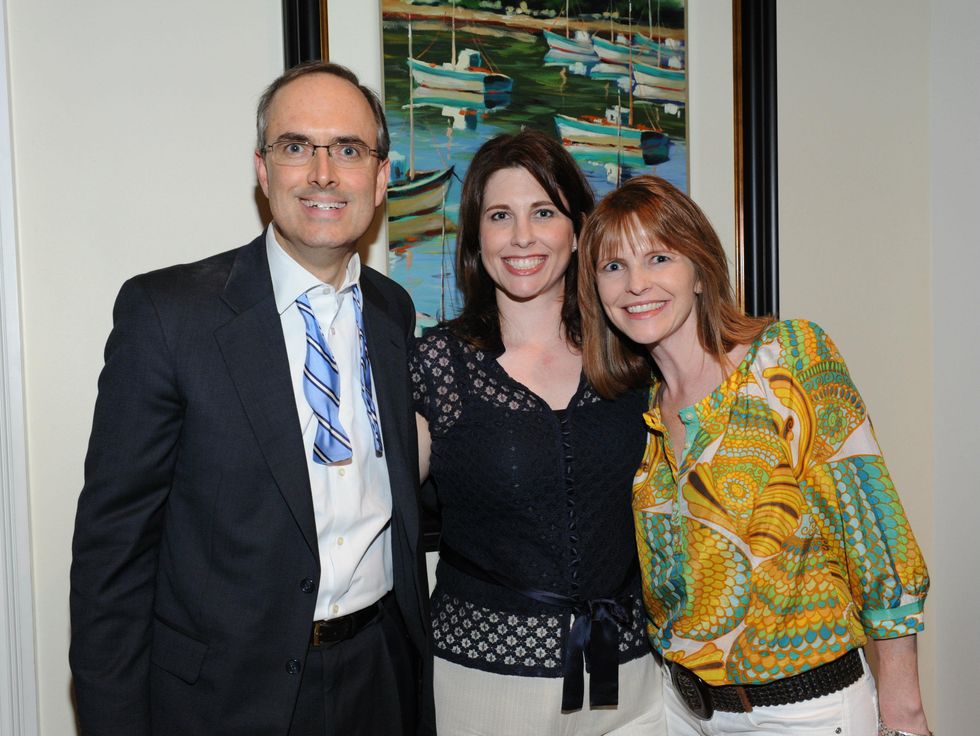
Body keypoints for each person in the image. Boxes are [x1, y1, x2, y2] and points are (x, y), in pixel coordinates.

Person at [70, 62, 433, 736]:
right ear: (264, 173)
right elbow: (110, 559)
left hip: (380, 678)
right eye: (296, 147)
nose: (323, 173)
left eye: (348, 150)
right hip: (227, 699)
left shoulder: (393, 312)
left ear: (380, 179)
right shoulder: (167, 316)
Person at [577, 175, 931, 736]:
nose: (636, 283)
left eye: (659, 257)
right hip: (682, 710)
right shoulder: (639, 410)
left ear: (699, 271)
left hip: (806, 714)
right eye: (613, 267)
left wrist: (904, 713)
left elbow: (878, 542)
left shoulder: (785, 357)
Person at [411, 131, 666, 735]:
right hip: (485, 685)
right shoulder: (437, 365)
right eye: (501, 215)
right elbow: (372, 503)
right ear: (477, 237)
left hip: (630, 686)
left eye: (543, 212)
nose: (522, 236)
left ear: (578, 230)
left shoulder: (634, 359)